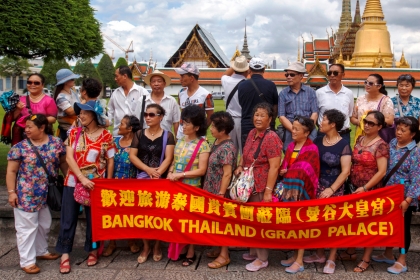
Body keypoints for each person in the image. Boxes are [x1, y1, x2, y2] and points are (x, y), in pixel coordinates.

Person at [56, 100, 115, 274]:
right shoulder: (74, 133)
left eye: (84, 113)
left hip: (96, 185)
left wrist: (108, 183)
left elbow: (110, 160)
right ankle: (65, 254)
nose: (80, 116)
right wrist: (81, 178)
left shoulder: (106, 136)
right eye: (80, 113)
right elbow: (69, 158)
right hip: (73, 182)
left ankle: (92, 250)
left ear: (94, 115)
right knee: (68, 218)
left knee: (93, 220)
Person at [6, 114, 67, 274]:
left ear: (41, 128)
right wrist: (12, 192)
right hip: (26, 195)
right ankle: (27, 261)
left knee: (44, 224)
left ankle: (41, 251)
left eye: (29, 127)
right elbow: (11, 171)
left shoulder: (56, 143)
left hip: (46, 194)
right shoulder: (20, 148)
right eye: (25, 127)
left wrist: (68, 182)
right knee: (26, 228)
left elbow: (63, 164)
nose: (25, 130)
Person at [234, 103, 282, 272]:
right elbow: (245, 154)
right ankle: (254, 250)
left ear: (270, 119)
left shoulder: (271, 138)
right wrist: (240, 165)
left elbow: (275, 167)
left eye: (262, 115)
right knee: (250, 219)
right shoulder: (252, 133)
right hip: (248, 184)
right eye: (256, 115)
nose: (258, 118)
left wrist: (268, 191)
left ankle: (262, 259)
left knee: (260, 221)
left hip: (261, 185)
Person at [303, 109, 351, 274]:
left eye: (324, 120)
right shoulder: (317, 140)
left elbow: (345, 171)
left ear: (333, 124)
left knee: (333, 225)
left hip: (334, 190)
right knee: (317, 222)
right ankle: (319, 253)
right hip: (315, 188)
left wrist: (331, 189)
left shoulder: (343, 144)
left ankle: (332, 258)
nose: (320, 122)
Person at [371, 117, 420, 274]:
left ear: (412, 134)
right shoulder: (392, 144)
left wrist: (408, 200)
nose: (398, 132)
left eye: (403, 130)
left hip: (403, 197)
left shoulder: (415, 152)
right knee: (390, 225)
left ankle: (402, 260)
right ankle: (388, 253)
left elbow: (417, 179)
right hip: (388, 193)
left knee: (403, 228)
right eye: (398, 129)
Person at [343, 111, 389, 272]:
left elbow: (381, 171)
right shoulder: (360, 139)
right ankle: (350, 251)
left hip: (370, 190)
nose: (367, 125)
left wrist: (365, 188)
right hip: (353, 187)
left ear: (380, 127)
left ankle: (366, 259)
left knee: (370, 225)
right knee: (353, 221)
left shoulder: (381, 145)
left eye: (372, 123)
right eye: (366, 121)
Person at [130, 104, 175, 263]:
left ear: (161, 117)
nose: (148, 117)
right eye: (146, 114)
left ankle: (157, 246)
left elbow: (169, 158)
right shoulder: (139, 134)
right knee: (143, 216)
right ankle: (146, 246)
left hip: (160, 181)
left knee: (159, 215)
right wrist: (148, 170)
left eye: (151, 114)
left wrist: (157, 173)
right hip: (142, 178)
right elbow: (133, 156)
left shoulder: (168, 135)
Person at [167, 105, 210, 266]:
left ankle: (191, 251)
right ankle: (180, 248)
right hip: (176, 186)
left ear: (197, 127)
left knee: (190, 221)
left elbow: (201, 170)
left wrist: (180, 175)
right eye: (183, 122)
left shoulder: (203, 145)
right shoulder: (180, 141)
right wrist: (171, 171)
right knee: (177, 220)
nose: (183, 126)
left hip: (192, 188)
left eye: (187, 123)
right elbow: (174, 161)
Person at [279, 116, 319, 274]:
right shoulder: (290, 146)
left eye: (296, 129)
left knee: (301, 225)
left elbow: (308, 171)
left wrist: (291, 171)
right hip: (289, 192)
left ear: (307, 132)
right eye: (293, 128)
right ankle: (295, 256)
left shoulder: (312, 149)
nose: (293, 131)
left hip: (303, 194)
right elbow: (286, 165)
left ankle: (300, 260)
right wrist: (284, 171)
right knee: (292, 225)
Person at [102, 115, 142, 257]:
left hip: (130, 184)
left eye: (122, 124)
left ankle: (131, 241)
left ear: (130, 128)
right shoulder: (115, 141)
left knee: (130, 215)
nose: (119, 126)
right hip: (114, 183)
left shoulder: (137, 144)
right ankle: (112, 243)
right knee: (112, 215)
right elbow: (108, 161)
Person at [203, 111, 237, 269]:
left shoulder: (227, 147)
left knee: (223, 223)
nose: (210, 128)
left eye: (213, 126)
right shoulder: (217, 142)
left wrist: (221, 194)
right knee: (215, 221)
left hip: (219, 190)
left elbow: (227, 173)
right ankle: (218, 248)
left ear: (222, 130)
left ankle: (224, 255)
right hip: (211, 188)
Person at [238, 57, 278, 149]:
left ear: (249, 70)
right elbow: (275, 106)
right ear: (264, 69)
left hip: (247, 126)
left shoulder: (242, 85)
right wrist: (271, 121)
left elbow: (241, 104)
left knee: (248, 155)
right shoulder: (271, 85)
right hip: (266, 125)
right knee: (267, 155)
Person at [278, 62, 318, 152]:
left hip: (308, 131)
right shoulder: (283, 94)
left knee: (309, 154)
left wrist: (306, 130)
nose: (288, 77)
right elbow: (281, 116)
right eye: (287, 75)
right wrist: (295, 130)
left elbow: (315, 113)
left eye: (292, 75)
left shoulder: (310, 92)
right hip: (290, 130)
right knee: (291, 155)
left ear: (301, 76)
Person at [12, 73, 58, 145]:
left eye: (36, 83)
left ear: (42, 85)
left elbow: (53, 119)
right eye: (29, 82)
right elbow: (13, 118)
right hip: (23, 137)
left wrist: (36, 121)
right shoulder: (21, 99)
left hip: (41, 136)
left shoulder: (49, 100)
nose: (32, 85)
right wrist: (18, 109)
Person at [351, 73, 394, 143]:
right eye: (366, 82)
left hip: (377, 137)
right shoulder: (360, 99)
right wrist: (361, 122)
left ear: (379, 86)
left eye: (370, 83)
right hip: (360, 136)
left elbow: (390, 120)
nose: (367, 85)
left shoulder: (385, 101)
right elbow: (353, 118)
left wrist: (372, 121)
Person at [316, 64, 354, 143]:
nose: (332, 75)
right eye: (329, 73)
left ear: (343, 75)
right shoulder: (319, 93)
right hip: (324, 134)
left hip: (343, 135)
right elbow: (316, 114)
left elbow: (349, 113)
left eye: (335, 73)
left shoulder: (348, 93)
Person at [175, 63, 214, 139]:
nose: (180, 79)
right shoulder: (181, 93)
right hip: (181, 135)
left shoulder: (206, 94)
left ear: (192, 78)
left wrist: (200, 130)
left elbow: (210, 116)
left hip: (197, 137)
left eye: (182, 76)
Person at [108, 65, 148, 136]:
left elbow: (148, 113)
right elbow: (110, 111)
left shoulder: (142, 92)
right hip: (118, 133)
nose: (115, 79)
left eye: (117, 76)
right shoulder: (115, 94)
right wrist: (108, 121)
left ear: (125, 76)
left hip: (136, 134)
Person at [221, 55, 249, 153]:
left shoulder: (226, 80)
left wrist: (236, 64)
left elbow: (225, 74)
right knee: (244, 152)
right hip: (243, 120)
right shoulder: (248, 84)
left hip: (229, 120)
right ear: (247, 70)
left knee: (230, 151)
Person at [54, 69, 81, 141]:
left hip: (76, 128)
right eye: (72, 79)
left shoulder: (73, 92)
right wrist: (84, 103)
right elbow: (71, 112)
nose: (74, 80)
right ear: (65, 82)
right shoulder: (61, 97)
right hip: (66, 131)